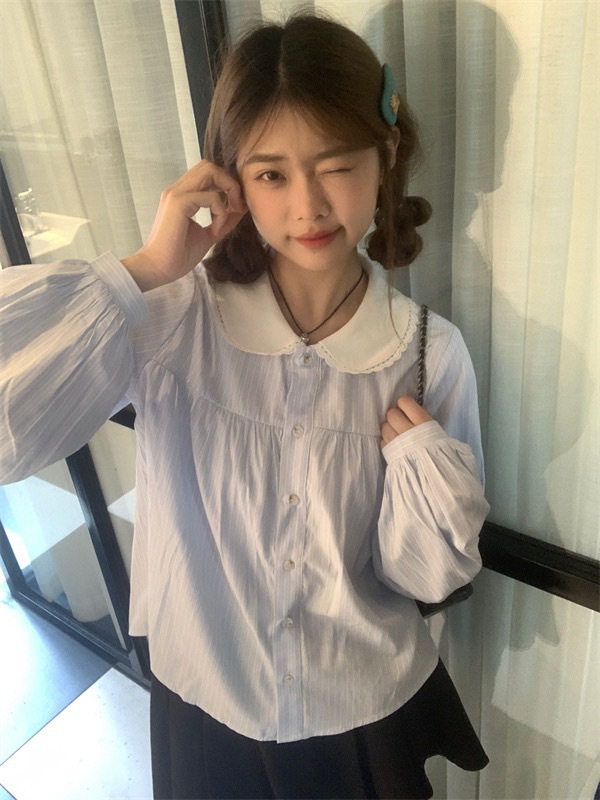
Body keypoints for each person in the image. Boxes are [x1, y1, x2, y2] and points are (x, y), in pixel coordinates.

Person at [0, 12, 490, 800]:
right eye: (270, 175)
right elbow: (10, 429)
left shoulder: (429, 353)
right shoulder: (171, 321)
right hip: (205, 708)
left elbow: (422, 578)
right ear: (230, 181)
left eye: (337, 165)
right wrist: (141, 269)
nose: (308, 205)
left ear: (386, 155)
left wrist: (424, 467)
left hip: (362, 716)